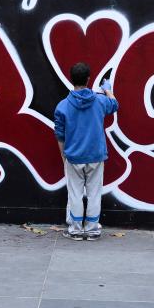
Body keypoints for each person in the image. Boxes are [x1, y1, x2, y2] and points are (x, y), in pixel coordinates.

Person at [54, 62, 119, 241]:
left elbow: (60, 135)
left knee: (74, 193)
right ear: (89, 79)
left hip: (73, 157)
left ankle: (75, 230)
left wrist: (63, 156)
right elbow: (114, 104)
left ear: (70, 79)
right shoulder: (99, 101)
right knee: (94, 193)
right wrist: (107, 89)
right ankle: (91, 230)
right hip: (96, 155)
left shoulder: (62, 106)